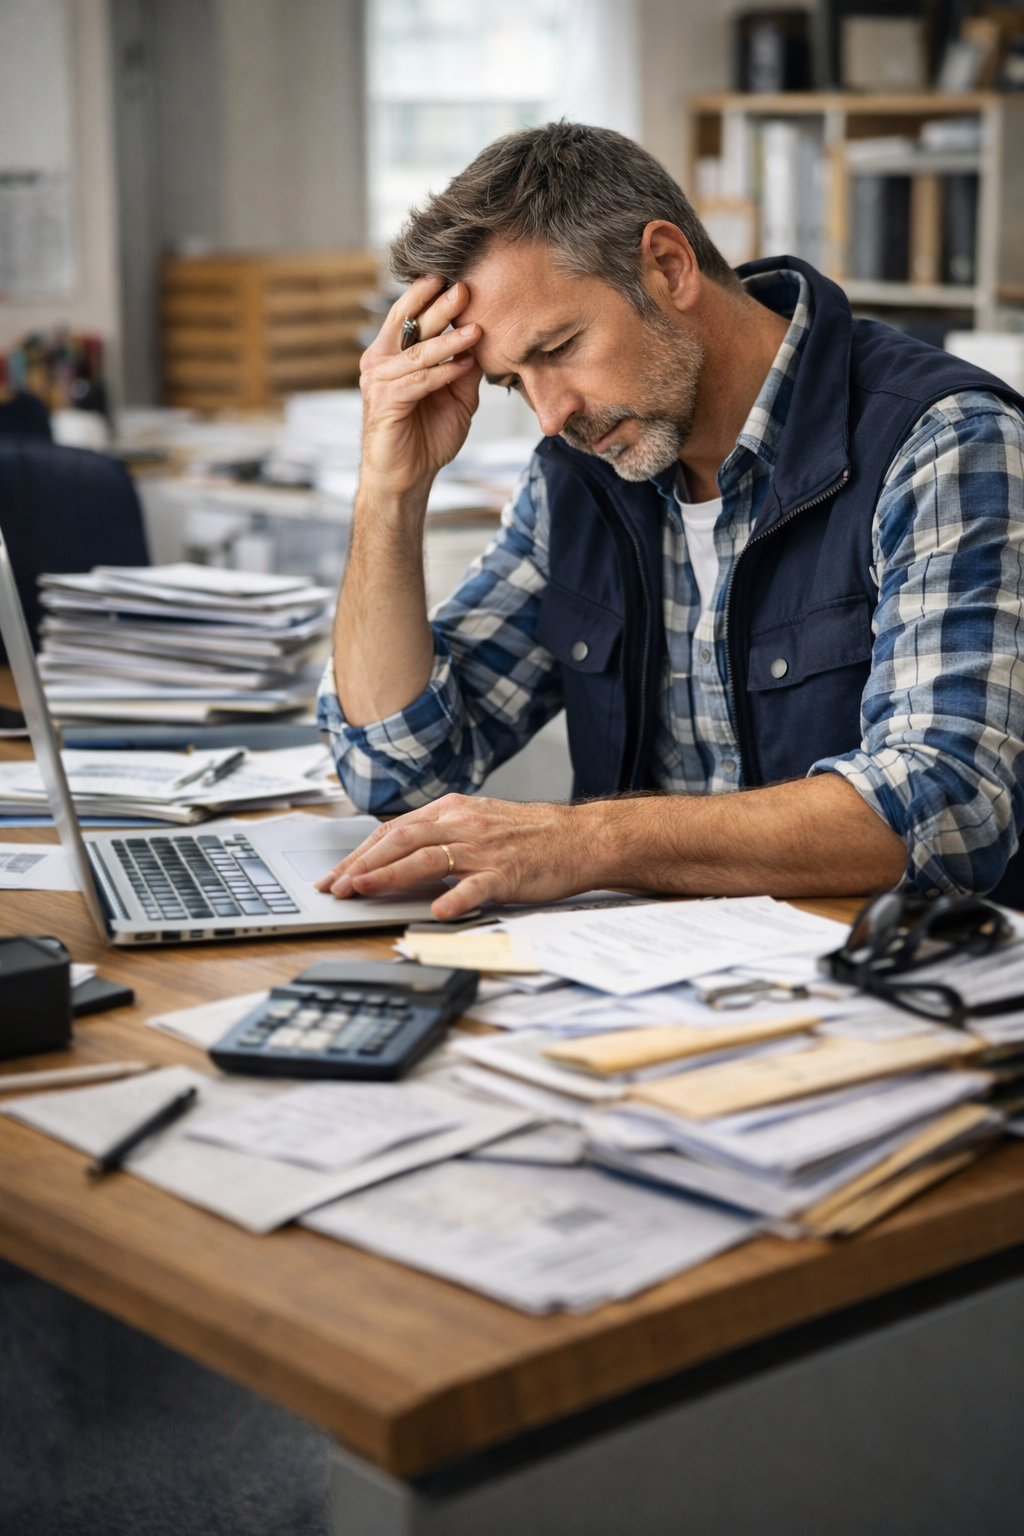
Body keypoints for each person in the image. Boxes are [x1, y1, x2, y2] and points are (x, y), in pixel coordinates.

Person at [315, 122, 1024, 921]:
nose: (552, 416)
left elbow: (950, 804)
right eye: (515, 382)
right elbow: (396, 773)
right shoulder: (580, 474)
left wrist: (588, 842)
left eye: (560, 347)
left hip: (886, 989)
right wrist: (389, 492)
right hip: (643, 987)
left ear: (668, 265)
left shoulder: (942, 440)